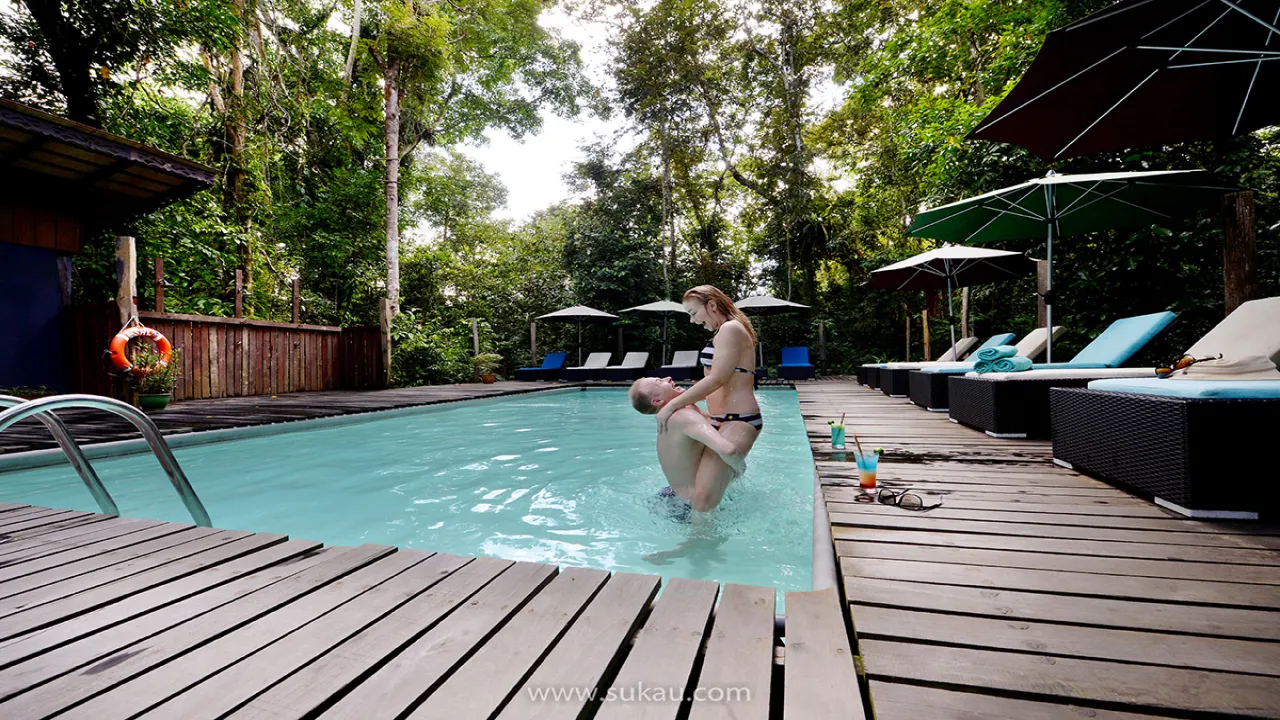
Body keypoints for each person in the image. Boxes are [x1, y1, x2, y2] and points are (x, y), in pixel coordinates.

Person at [653, 285, 762, 512]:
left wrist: (671, 404)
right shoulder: (726, 330)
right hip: (721, 419)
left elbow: (717, 379)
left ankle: (698, 546)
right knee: (695, 488)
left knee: (701, 500)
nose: (693, 321)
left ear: (711, 305)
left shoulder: (731, 328)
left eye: (693, 313)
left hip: (738, 419)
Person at [629, 376, 746, 514]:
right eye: (660, 382)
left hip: (673, 496)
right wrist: (740, 469)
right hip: (688, 506)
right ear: (657, 401)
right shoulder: (684, 417)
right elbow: (729, 451)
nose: (668, 378)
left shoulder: (680, 414)